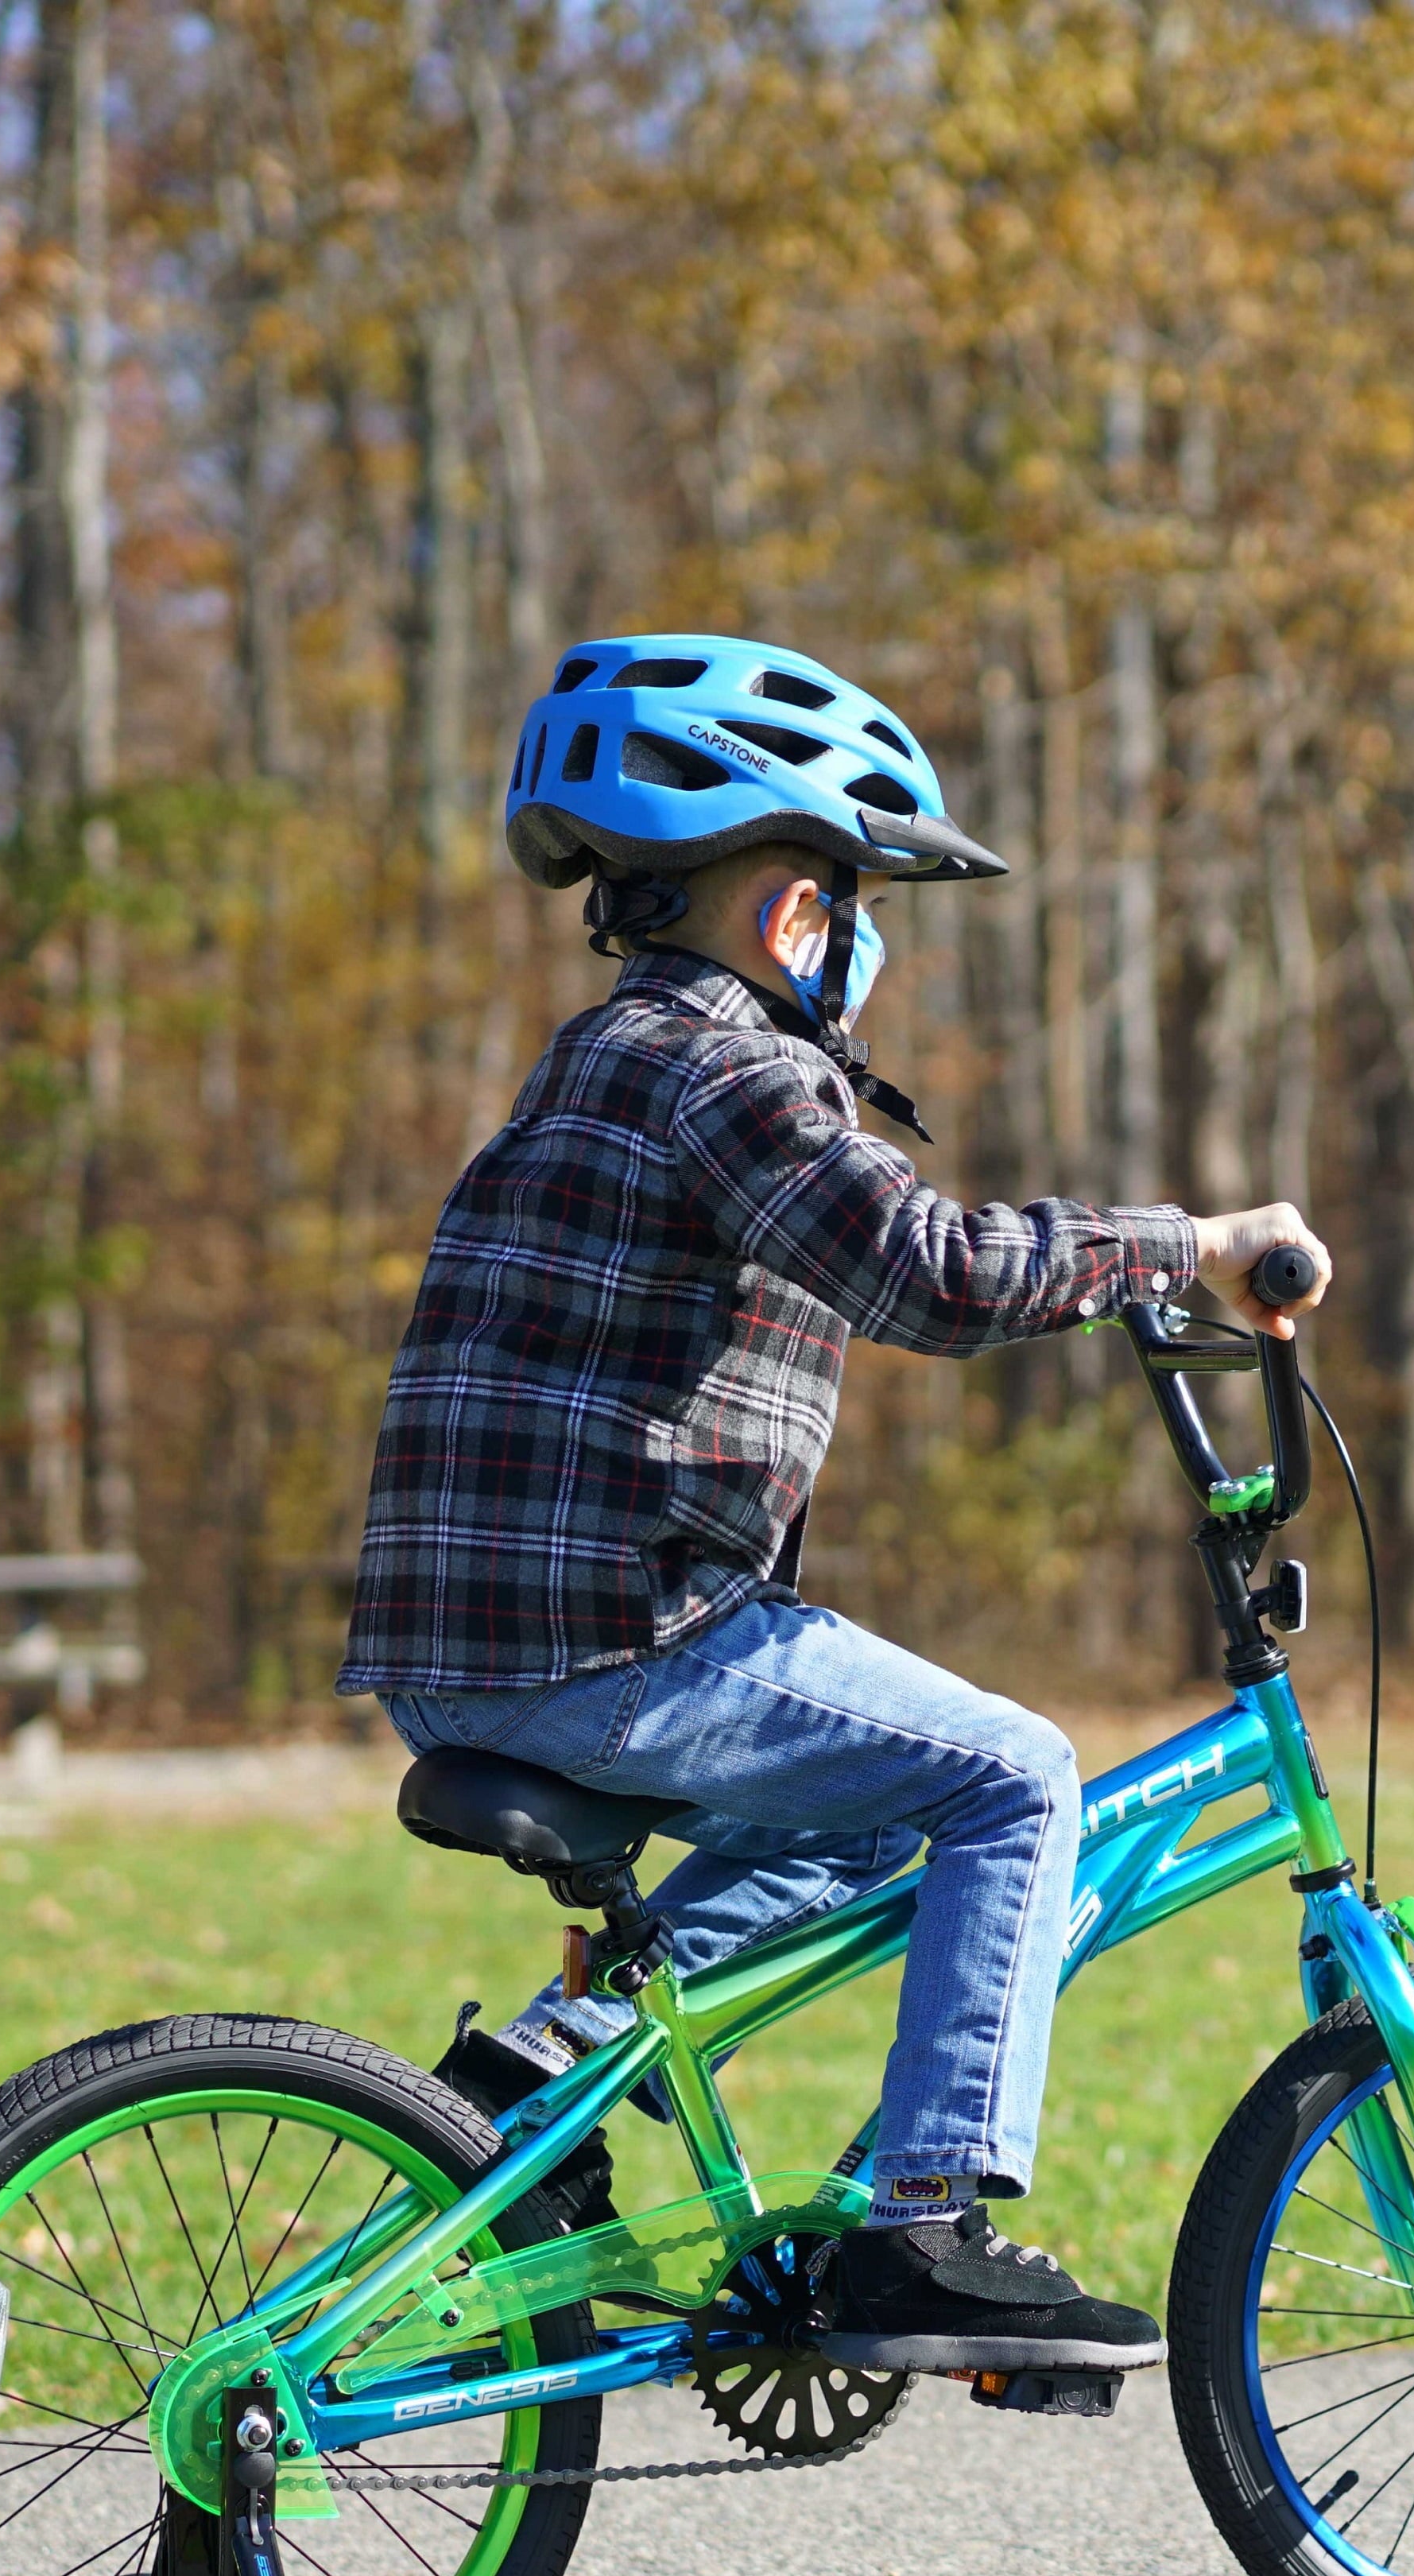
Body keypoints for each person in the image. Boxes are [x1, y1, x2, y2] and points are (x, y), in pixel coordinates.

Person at [339, 634, 1331, 2379]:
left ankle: (550, 2073)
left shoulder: (606, 1055)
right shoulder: (733, 1070)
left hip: (482, 1638)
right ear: (796, 915)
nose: (871, 948)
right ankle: (921, 2230)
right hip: (612, 1631)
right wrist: (1185, 1242)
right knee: (1014, 1773)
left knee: (879, 1813)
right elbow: (928, 1270)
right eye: (861, 901)